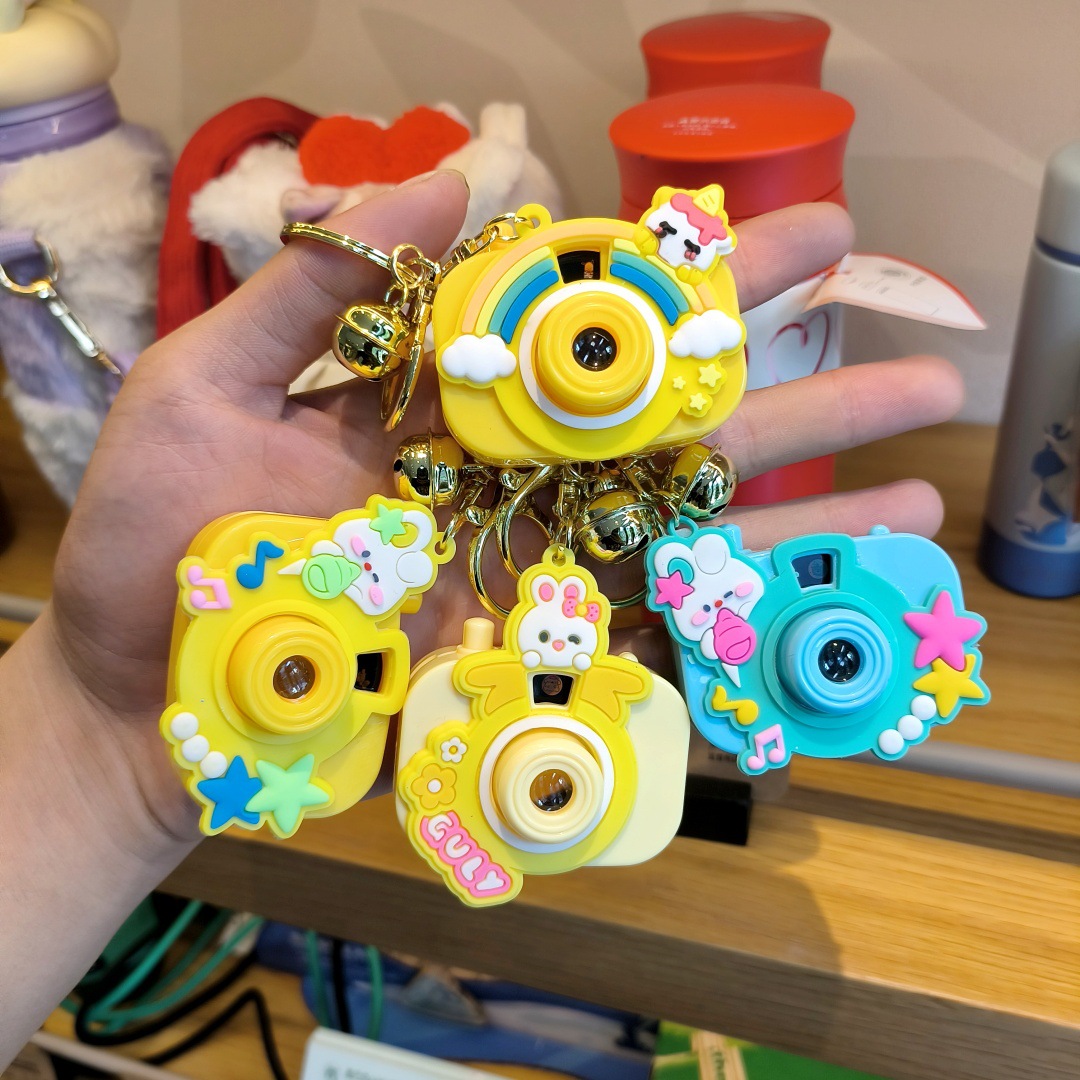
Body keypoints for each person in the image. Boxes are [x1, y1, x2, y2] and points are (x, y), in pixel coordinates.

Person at [0, 170, 963, 1064]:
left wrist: (92, 738)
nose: (592, 352)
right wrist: (91, 718)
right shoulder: (457, 418)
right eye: (589, 342)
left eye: (599, 344)